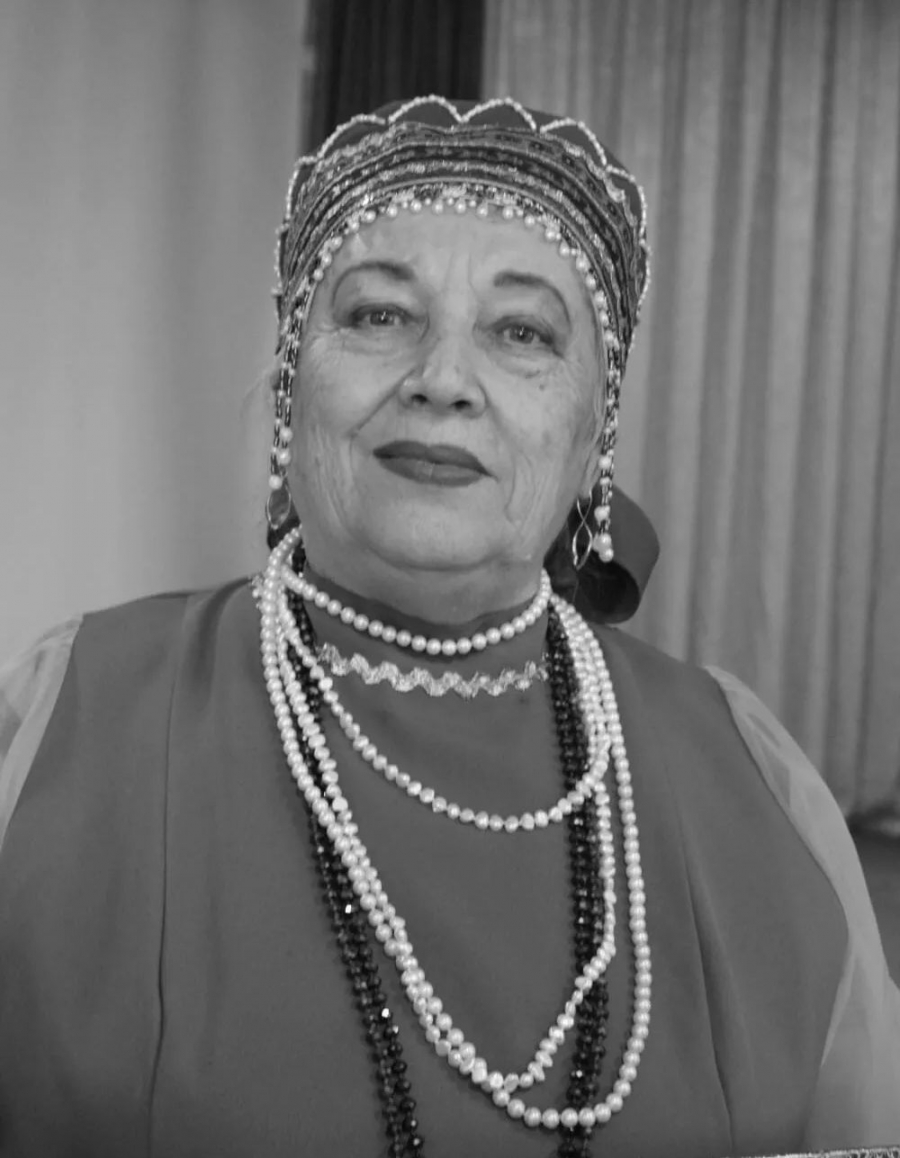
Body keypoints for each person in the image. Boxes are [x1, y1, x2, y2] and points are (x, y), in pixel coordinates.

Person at [0, 96, 898, 1158]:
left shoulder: (749, 780)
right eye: (381, 315)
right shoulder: (70, 717)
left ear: (592, 434)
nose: (441, 382)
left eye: (522, 333)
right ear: (291, 388)